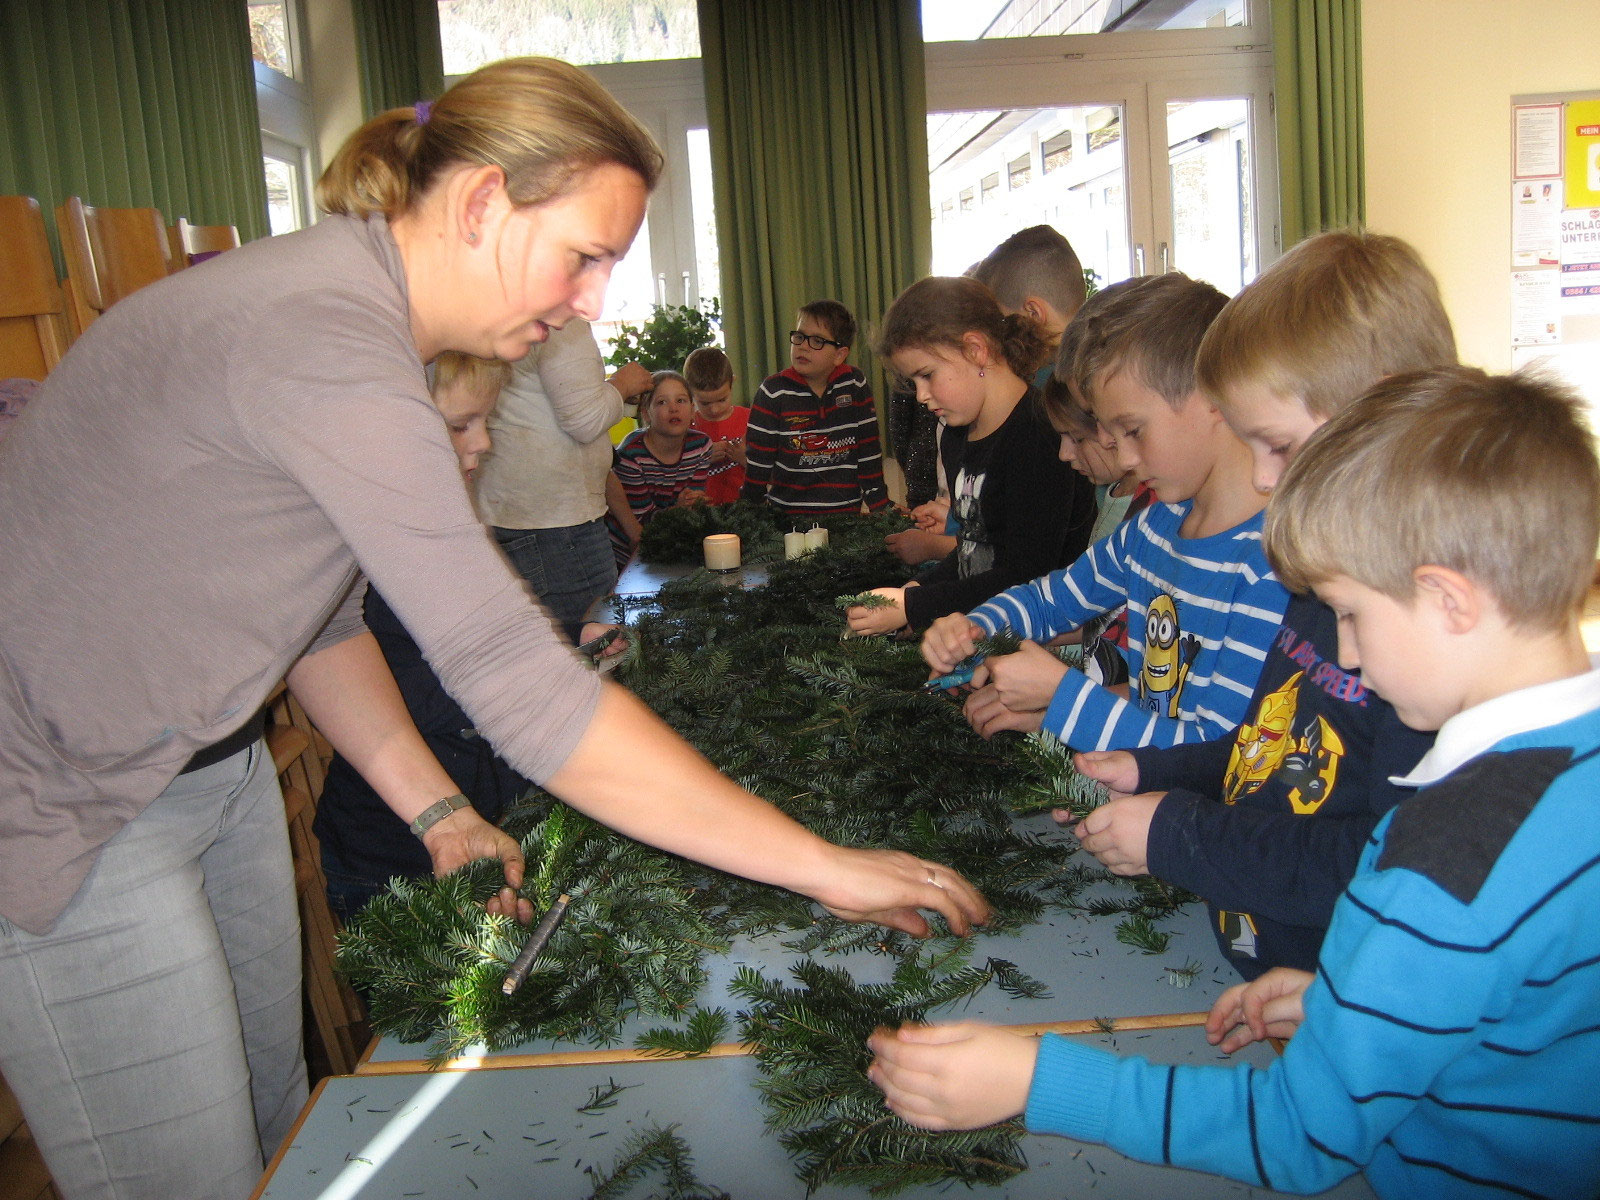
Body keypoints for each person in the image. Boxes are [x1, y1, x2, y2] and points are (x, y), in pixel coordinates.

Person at [0, 57, 987, 1200]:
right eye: (583, 257)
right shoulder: (326, 341)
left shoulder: (359, 323)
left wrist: (439, 812)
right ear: (477, 204)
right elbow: (515, 683)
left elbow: (320, 623)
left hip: (200, 770)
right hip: (65, 809)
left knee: (273, 1123)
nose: (592, 305)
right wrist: (823, 866)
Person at [870, 366, 1600, 1200]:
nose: (1348, 656)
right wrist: (1348, 1002)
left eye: (1352, 616)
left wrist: (1038, 1081)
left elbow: (1300, 1136)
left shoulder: (1443, 861)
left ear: (1449, 601)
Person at [1069, 231, 1453, 979]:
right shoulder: (1324, 581)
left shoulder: (1424, 642)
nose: (1268, 482)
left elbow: (1384, 865)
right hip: (1268, 971)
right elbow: (1266, 744)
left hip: (1340, 996)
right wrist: (1157, 768)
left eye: (1278, 445)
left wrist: (1180, 834)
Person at [316, 351, 628, 923]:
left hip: (480, 826)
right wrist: (543, 673)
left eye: (485, 421)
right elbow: (419, 685)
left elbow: (483, 642)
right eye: (462, 425)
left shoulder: (452, 525)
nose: (483, 442)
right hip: (391, 860)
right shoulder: (348, 561)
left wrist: (567, 638)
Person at [922, 272, 1288, 750]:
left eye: (1133, 430)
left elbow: (1221, 752)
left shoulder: (1272, 566)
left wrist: (1062, 697)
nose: (1127, 459)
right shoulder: (1154, 528)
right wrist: (975, 626)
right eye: (1112, 435)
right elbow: (1049, 600)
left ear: (1214, 396)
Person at [843, 276, 1096, 636]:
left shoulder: (1039, 434)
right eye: (913, 382)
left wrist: (915, 607)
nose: (920, 396)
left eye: (927, 375)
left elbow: (1025, 575)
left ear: (976, 349)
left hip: (1041, 639)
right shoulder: (957, 434)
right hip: (977, 629)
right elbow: (972, 552)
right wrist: (913, 591)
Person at [473, 317, 653, 628]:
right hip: (559, 524)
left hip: (514, 512)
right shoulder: (558, 318)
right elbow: (585, 420)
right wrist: (623, 385)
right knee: (591, 646)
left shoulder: (495, 312)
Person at [1037, 373, 1151, 690]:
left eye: (1076, 438)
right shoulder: (1108, 493)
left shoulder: (1149, 512)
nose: (1064, 454)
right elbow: (1094, 612)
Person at [739, 299, 890, 515]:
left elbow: (868, 452)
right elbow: (758, 461)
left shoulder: (854, 383)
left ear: (839, 355)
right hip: (786, 518)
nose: (802, 346)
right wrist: (748, 510)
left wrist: (880, 506)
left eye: (817, 341)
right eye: (799, 337)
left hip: (846, 518)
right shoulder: (773, 391)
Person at [971, 223, 1088, 389]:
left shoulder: (1037, 391)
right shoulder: (1109, 365)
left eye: (1002, 322)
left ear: (1034, 313)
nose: (996, 337)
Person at [614, 370, 712, 522]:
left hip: (677, 530)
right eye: (662, 402)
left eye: (680, 400)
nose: (673, 408)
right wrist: (678, 510)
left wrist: (692, 502)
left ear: (693, 410)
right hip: (632, 541)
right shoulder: (631, 455)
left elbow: (694, 502)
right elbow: (640, 519)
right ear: (646, 414)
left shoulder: (701, 446)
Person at [683, 345, 747, 504]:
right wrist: (703, 459)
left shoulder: (751, 419)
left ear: (733, 381)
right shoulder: (686, 429)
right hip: (702, 515)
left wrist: (746, 460)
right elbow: (674, 476)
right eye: (704, 403)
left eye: (722, 399)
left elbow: (774, 473)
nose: (714, 409)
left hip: (747, 512)